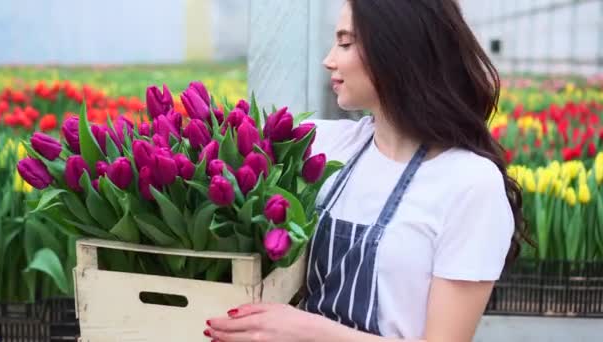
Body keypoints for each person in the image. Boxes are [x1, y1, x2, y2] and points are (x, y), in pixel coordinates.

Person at [205, 0, 526, 341]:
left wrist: (305, 332)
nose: (329, 60)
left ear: (397, 48)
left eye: (345, 42)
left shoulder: (469, 184)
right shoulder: (323, 144)